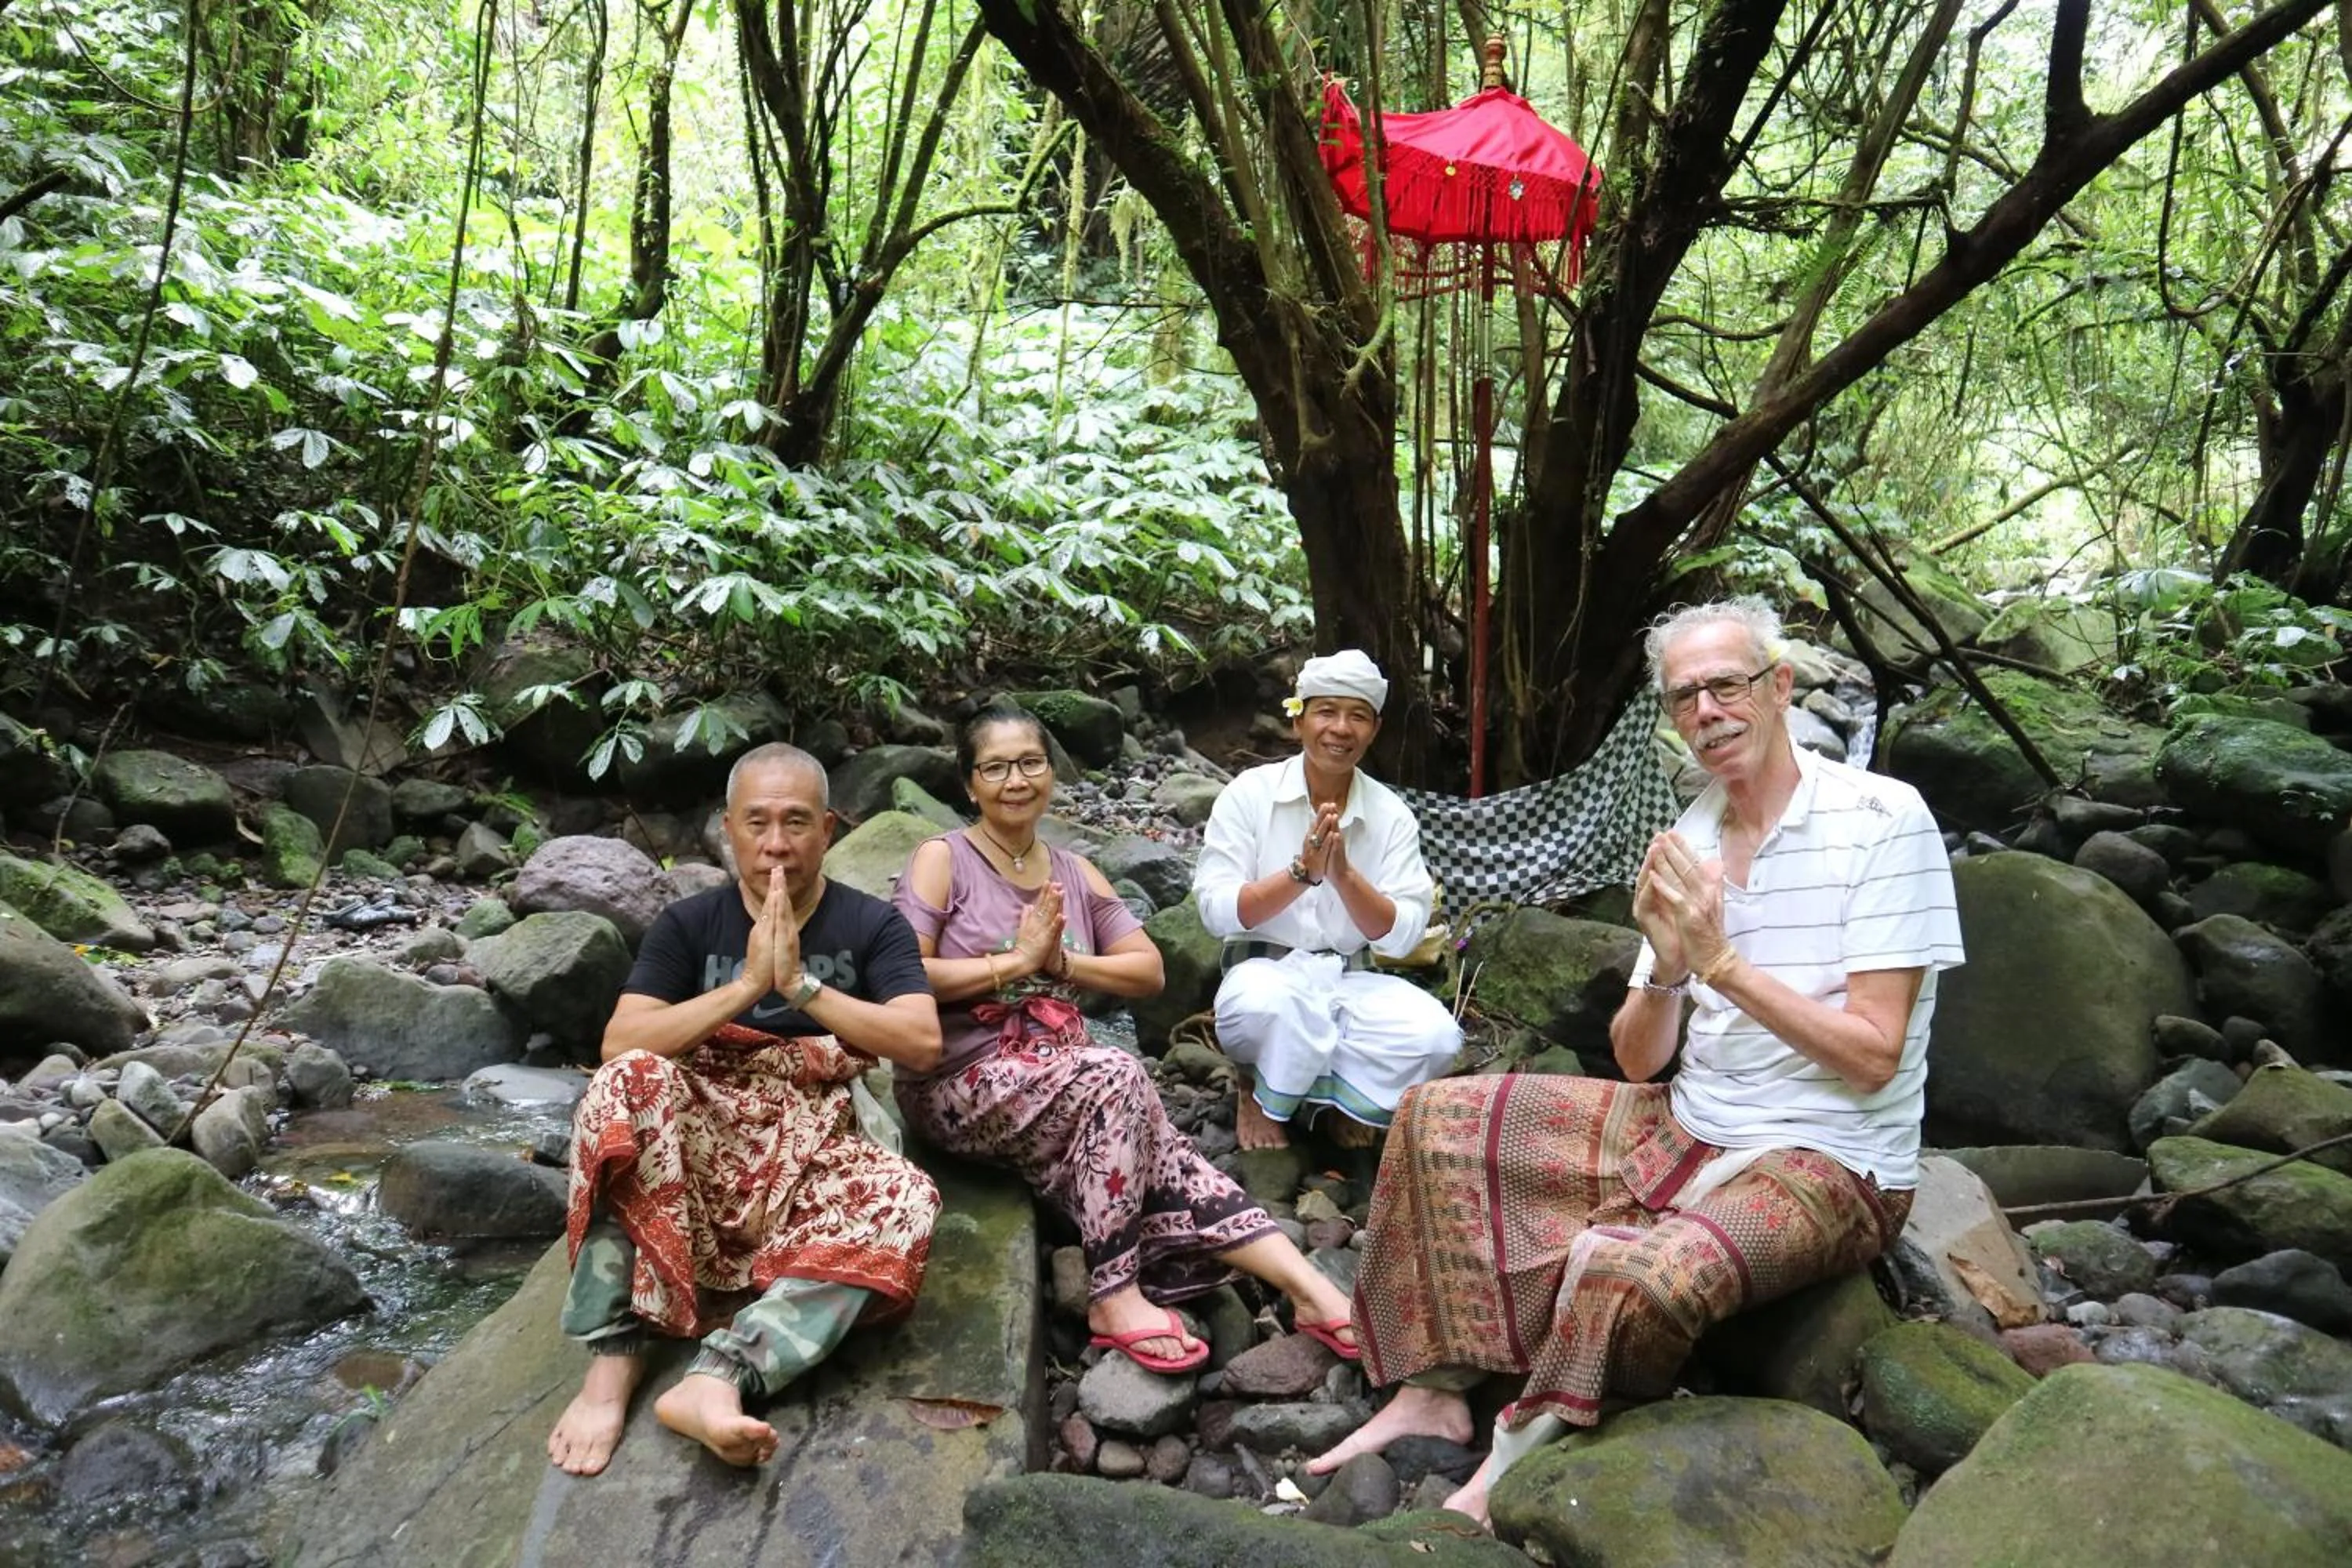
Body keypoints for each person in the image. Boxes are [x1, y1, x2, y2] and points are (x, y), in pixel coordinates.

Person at [1308, 597, 1964, 1524]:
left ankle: (1523, 1452)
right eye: (1684, 695)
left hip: (1834, 1162)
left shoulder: (1884, 820)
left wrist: (1723, 961)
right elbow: (1637, 1061)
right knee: (1436, 1116)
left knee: (1640, 1274)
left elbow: (1873, 1055)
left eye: (1725, 684)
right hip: (1687, 1121)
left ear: (1778, 688)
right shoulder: (1690, 835)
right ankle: (1437, 1381)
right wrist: (1664, 969)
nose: (1706, 710)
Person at [890, 702, 1359, 1370]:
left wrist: (1062, 964)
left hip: (1060, 1079)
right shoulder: (944, 859)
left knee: (1168, 1150)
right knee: (1118, 1074)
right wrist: (1015, 964)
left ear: (1051, 772)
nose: (1016, 780)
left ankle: (1310, 1290)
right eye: (996, 768)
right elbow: (902, 974)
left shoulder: (1076, 872)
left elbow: (1148, 969)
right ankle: (1114, 1292)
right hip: (959, 1080)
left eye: (1030, 763)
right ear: (969, 784)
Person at [546, 742, 944, 1475]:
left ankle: (719, 1377)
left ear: (828, 829)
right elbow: (620, 1043)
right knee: (626, 1086)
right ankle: (613, 1357)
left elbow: (920, 1042)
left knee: (905, 1199)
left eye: (796, 823)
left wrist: (802, 990)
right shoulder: (690, 923)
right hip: (698, 1129)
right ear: (726, 828)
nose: (776, 845)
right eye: (756, 823)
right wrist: (747, 985)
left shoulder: (871, 925)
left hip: (816, 1131)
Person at [1192, 650, 1461, 1151]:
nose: (1341, 728)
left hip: (1348, 979)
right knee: (1270, 1008)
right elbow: (1215, 909)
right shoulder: (1249, 794)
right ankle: (1253, 1087)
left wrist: (1343, 875)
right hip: (1263, 975)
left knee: (1437, 1039)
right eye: (1326, 712)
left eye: (1357, 716)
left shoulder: (1391, 814)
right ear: (1298, 720)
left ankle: (1335, 1103)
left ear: (1374, 729)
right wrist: (1300, 875)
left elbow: (1404, 933)